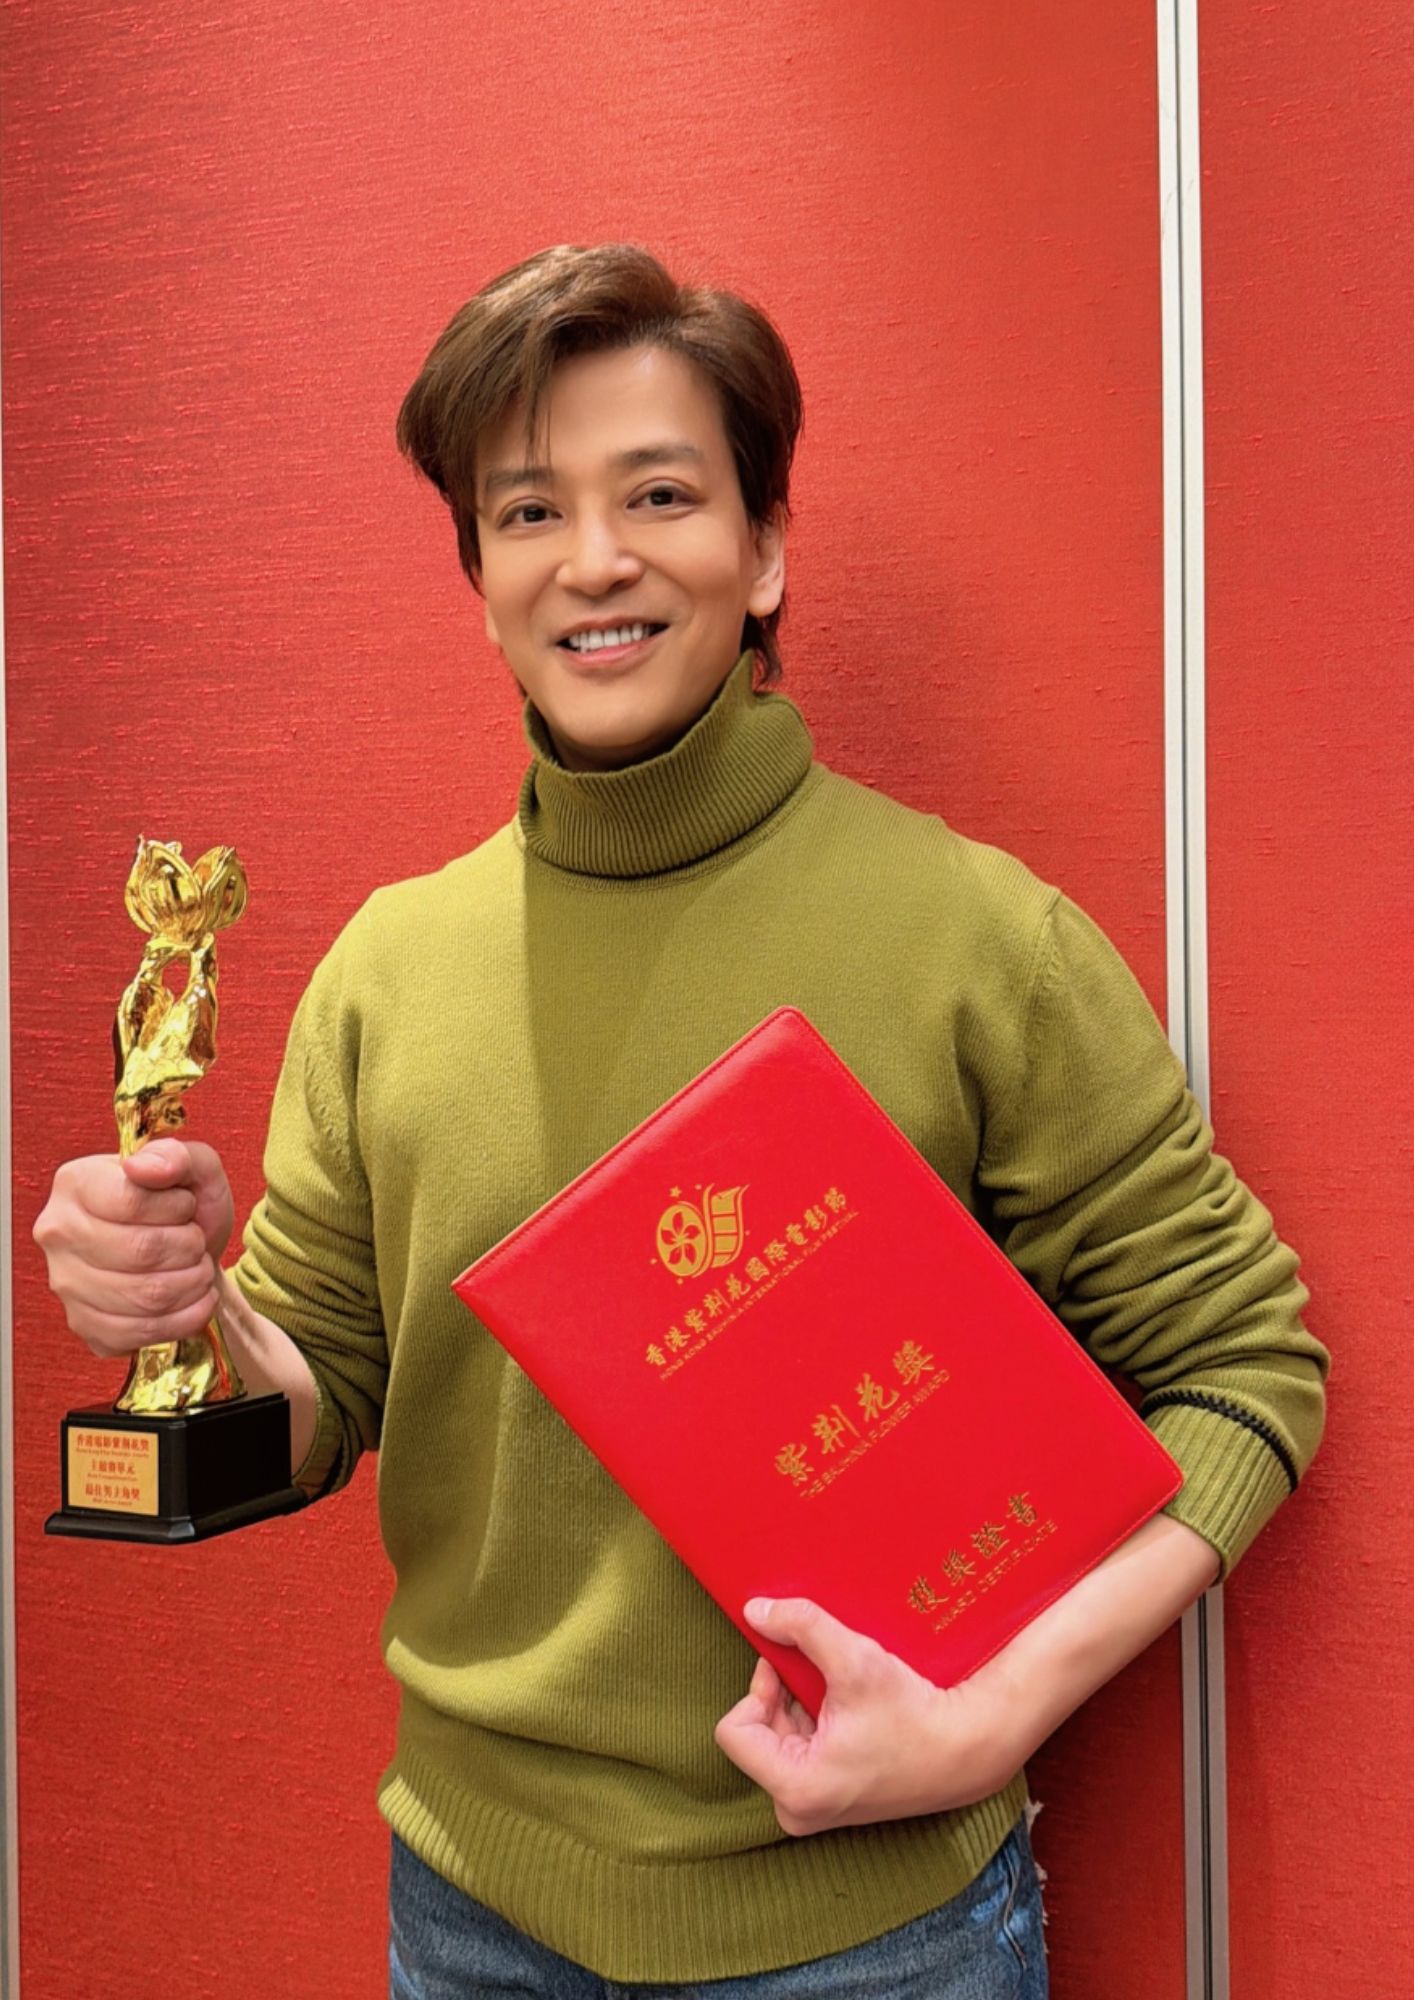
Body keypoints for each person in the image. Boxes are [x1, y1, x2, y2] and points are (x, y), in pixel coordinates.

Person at [35, 242, 1329, 1999]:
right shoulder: (385, 972)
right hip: (470, 1918)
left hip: (880, 1939)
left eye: (657, 494)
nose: (593, 560)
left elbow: (1244, 1367)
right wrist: (186, 1314)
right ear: (479, 576)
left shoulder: (974, 938)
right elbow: (319, 1402)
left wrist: (991, 1719)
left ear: (765, 545)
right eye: (527, 512)